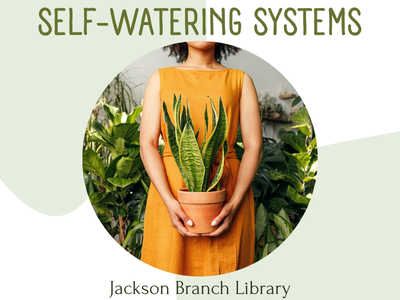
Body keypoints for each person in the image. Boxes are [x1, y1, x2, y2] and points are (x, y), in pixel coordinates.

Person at [140, 41, 262, 276]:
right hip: (171, 196)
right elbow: (147, 145)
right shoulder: (160, 79)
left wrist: (233, 205)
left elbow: (254, 146)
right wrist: (168, 200)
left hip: (227, 195)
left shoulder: (240, 80)